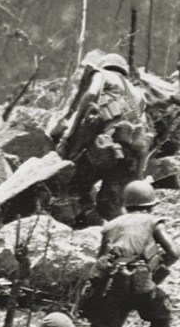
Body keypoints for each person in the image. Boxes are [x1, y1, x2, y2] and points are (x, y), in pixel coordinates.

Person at [79, 179, 180, 327]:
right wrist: (157, 270)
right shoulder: (152, 221)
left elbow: (101, 261)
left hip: (113, 282)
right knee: (161, 316)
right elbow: (174, 253)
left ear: (125, 204)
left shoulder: (111, 226)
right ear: (151, 205)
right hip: (141, 280)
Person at [50, 52, 151, 223]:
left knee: (75, 186)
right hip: (130, 156)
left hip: (104, 147)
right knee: (110, 206)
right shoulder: (135, 93)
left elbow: (91, 94)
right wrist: (139, 175)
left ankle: (91, 222)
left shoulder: (103, 74)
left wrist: (70, 131)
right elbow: (144, 134)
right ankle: (112, 228)